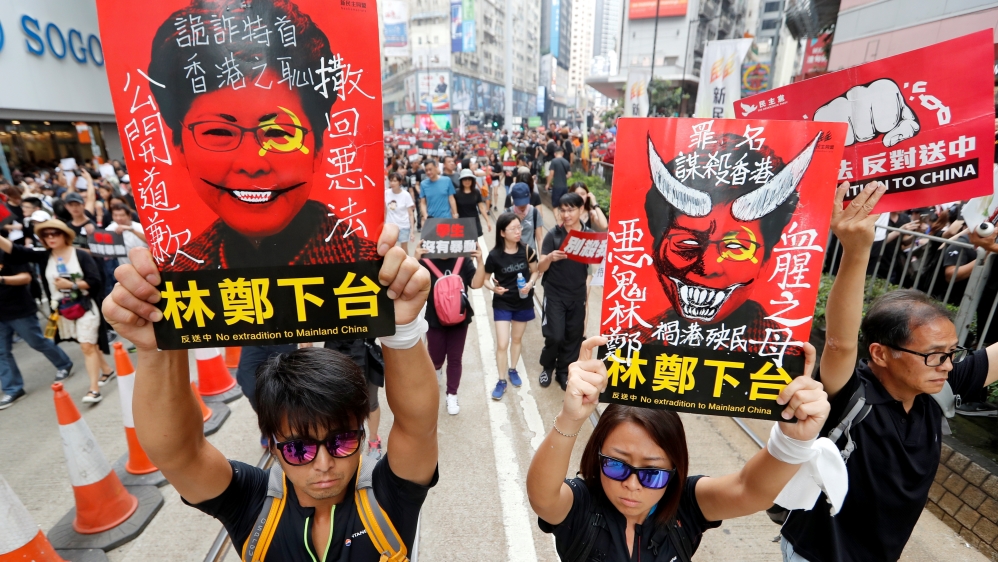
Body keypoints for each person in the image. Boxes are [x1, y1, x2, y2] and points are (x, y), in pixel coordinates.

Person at [102, 225, 440, 561]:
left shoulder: (390, 495)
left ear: (363, 435)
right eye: (297, 448)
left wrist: (404, 330)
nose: (323, 464)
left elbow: (417, 425)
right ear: (274, 446)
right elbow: (178, 453)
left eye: (342, 441)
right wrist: (157, 347)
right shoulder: (252, 504)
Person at [778, 182, 998, 562]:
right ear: (881, 354)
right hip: (819, 553)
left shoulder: (937, 387)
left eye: (951, 353)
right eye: (933, 354)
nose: (946, 365)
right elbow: (840, 344)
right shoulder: (851, 394)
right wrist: (857, 249)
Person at [528, 336, 830, 562]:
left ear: (675, 469)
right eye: (616, 465)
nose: (632, 485)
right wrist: (571, 417)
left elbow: (748, 489)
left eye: (653, 473)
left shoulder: (686, 505)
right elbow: (543, 497)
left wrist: (792, 441)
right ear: (597, 457)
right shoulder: (582, 505)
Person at [145, 0, 378, 271]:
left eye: (278, 132)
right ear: (179, 147)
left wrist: (406, 312)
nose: (252, 163)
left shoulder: (373, 271)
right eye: (219, 131)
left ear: (318, 147)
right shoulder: (169, 279)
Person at [0, 220, 114, 404]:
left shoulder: (80, 255)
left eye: (55, 233)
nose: (51, 238)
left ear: (65, 235)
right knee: (87, 343)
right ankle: (107, 370)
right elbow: (15, 250)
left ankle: (94, 389)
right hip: (63, 309)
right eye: (46, 235)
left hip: (85, 306)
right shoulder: (45, 257)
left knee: (86, 345)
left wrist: (72, 285)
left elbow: (96, 281)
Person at [0, 246, 75, 409]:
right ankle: (13, 389)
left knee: (37, 342)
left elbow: (25, 277)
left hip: (18, 309)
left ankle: (64, 364)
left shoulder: (8, 252)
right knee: (2, 352)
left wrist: (2, 279)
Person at [417, 242, 486, 415]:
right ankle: (438, 368)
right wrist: (415, 259)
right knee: (436, 357)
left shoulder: (462, 260)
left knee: (455, 358)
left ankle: (452, 394)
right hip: (434, 321)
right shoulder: (425, 261)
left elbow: (476, 284)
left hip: (459, 319)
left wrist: (480, 261)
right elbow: (410, 286)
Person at [537, 193, 591, 390]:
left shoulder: (589, 236)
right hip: (555, 294)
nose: (566, 214)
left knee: (573, 336)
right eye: (563, 210)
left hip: (577, 295)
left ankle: (563, 372)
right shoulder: (554, 235)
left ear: (581, 210)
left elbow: (597, 264)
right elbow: (540, 267)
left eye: (571, 209)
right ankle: (547, 366)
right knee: (555, 335)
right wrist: (550, 257)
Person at [485, 213, 539, 400]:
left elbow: (535, 271)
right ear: (502, 232)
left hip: (522, 302)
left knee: (516, 339)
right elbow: (484, 279)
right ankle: (501, 380)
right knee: (502, 342)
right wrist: (494, 288)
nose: (518, 232)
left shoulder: (527, 250)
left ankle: (513, 369)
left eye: (519, 227)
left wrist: (530, 284)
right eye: (513, 229)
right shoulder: (494, 255)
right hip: (502, 303)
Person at [505, 180, 544, 252]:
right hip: (512, 255)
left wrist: (542, 258)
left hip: (530, 254)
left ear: (529, 196)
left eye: (524, 202)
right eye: (519, 203)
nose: (522, 206)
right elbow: (502, 236)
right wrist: (514, 219)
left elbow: (540, 238)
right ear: (513, 199)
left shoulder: (534, 212)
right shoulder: (507, 214)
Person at [454, 169, 492, 238]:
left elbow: (481, 207)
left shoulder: (476, 192)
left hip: (474, 222)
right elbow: (453, 208)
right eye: (465, 179)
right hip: (461, 223)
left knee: (474, 245)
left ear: (472, 180)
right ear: (461, 181)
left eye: (469, 179)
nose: (467, 181)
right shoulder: (456, 192)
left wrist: (488, 221)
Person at [385, 172, 416, 253]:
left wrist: (412, 231)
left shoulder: (406, 195)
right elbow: (384, 211)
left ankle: (406, 265)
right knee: (391, 249)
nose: (392, 183)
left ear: (400, 182)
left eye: (395, 181)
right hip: (390, 226)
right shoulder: (386, 193)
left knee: (404, 249)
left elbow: (411, 214)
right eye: (391, 181)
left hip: (403, 226)